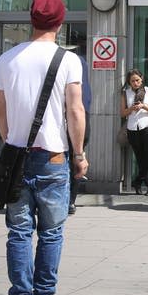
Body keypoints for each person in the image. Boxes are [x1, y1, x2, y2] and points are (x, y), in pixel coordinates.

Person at [0, 0, 88, 295]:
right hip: (53, 158)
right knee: (51, 231)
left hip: (16, 157)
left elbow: (0, 114)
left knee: (18, 231)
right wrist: (79, 153)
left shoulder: (6, 59)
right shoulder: (68, 60)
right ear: (60, 24)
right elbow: (75, 110)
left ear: (31, 20)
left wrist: (11, 142)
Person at [120, 69, 148, 196]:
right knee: (141, 158)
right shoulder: (126, 93)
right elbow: (123, 113)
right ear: (129, 82)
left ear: (141, 79)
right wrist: (131, 108)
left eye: (137, 80)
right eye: (132, 81)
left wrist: (143, 106)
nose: (135, 83)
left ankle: (137, 181)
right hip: (133, 128)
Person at [68, 51, 91, 215]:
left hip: (68, 119)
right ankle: (70, 201)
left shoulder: (76, 63)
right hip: (79, 119)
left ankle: (67, 200)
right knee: (74, 161)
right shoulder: (79, 63)